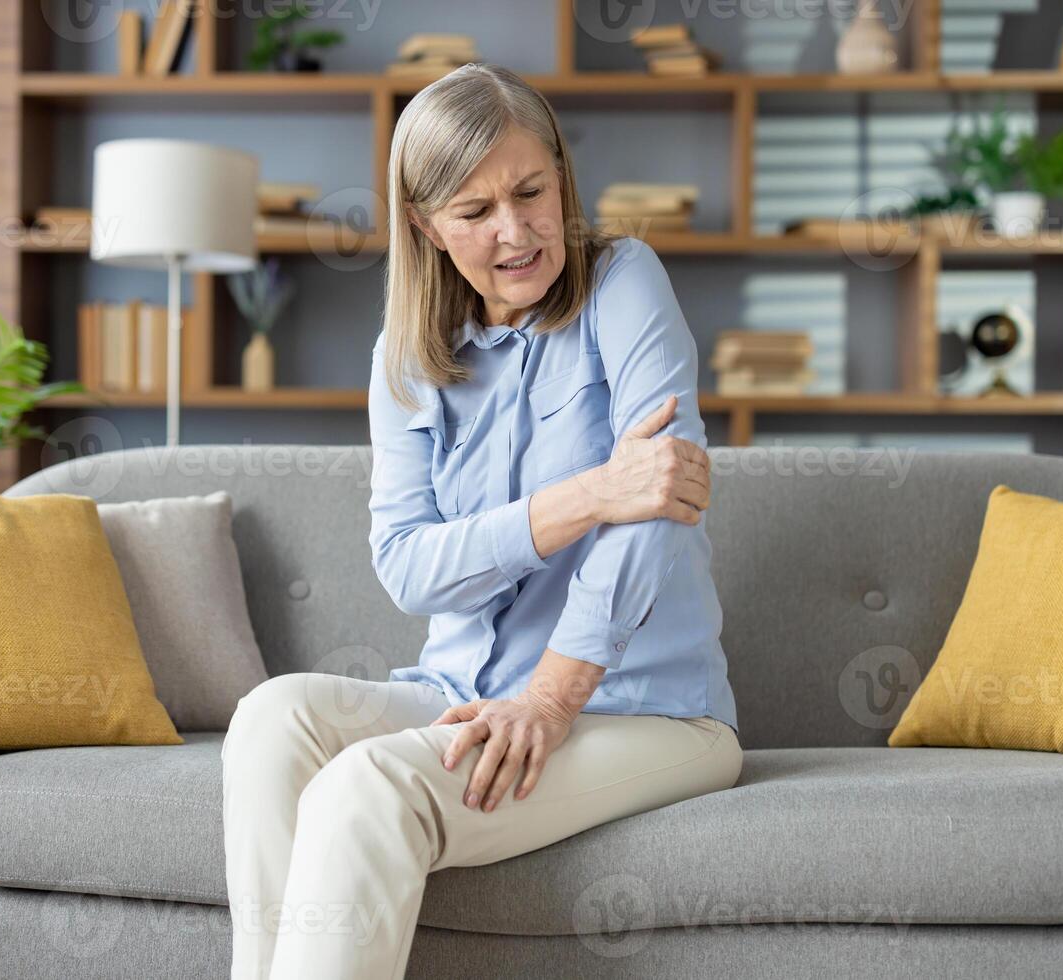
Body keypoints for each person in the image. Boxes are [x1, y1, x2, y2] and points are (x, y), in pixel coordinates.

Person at [222, 62, 741, 980]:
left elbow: (656, 504)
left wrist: (547, 699)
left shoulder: (623, 282)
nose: (516, 232)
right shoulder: (408, 354)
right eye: (474, 211)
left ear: (560, 178)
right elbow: (411, 566)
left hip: (644, 712)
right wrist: (583, 496)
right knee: (272, 717)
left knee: (370, 786)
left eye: (532, 191)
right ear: (426, 225)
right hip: (456, 686)